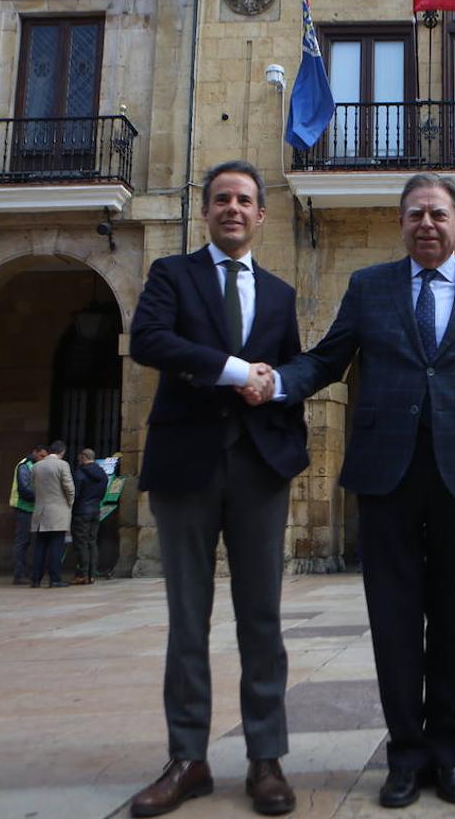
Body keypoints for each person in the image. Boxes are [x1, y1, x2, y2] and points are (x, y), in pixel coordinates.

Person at [245, 173, 455, 808]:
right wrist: (276, 380)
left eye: (439, 214)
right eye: (415, 214)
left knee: (453, 622)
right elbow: (328, 359)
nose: (427, 224)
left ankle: (449, 753)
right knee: (392, 623)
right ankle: (405, 754)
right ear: (401, 223)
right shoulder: (369, 287)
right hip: (386, 475)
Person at [127, 160, 308, 817]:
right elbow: (148, 341)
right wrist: (235, 371)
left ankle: (267, 758)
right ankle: (188, 758)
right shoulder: (172, 276)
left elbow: (288, 374)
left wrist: (288, 437)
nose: (234, 208)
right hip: (185, 465)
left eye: (245, 200)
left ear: (262, 215)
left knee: (262, 619)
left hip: (259, 470)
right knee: (187, 620)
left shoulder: (283, 294)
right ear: (207, 211)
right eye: (222, 199)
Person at [30, 440, 75, 588]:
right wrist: (69, 503)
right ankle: (54, 578)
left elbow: (33, 487)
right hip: (57, 510)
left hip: (40, 511)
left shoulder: (36, 466)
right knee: (56, 546)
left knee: (40, 547)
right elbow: (69, 488)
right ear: (62, 452)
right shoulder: (63, 465)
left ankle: (35, 578)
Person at [70, 448, 109, 585]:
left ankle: (83, 574)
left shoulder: (80, 472)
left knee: (81, 542)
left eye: (79, 456)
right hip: (95, 509)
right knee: (92, 541)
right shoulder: (102, 473)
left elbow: (76, 493)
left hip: (81, 511)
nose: (78, 459)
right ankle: (91, 574)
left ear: (84, 457)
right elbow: (104, 492)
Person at [9, 445, 46, 584]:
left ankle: (30, 571)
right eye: (41, 456)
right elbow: (24, 488)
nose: (43, 459)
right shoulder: (25, 465)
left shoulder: (36, 465)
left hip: (34, 508)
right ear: (35, 453)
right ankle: (19, 574)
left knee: (33, 542)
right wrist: (41, 496)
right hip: (24, 508)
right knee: (22, 542)